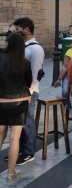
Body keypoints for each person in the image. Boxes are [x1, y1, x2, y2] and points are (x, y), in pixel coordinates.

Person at [0, 33, 32, 182]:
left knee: (0, 134)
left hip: (1, 102)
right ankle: (10, 174)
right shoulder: (24, 62)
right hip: (19, 102)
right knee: (14, 138)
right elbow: (29, 82)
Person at [12, 17, 44, 165]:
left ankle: (29, 152)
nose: (15, 31)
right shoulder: (21, 47)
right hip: (17, 91)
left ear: (26, 29)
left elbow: (35, 73)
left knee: (28, 122)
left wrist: (30, 92)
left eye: (18, 28)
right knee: (19, 122)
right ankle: (18, 150)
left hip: (29, 91)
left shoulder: (35, 49)